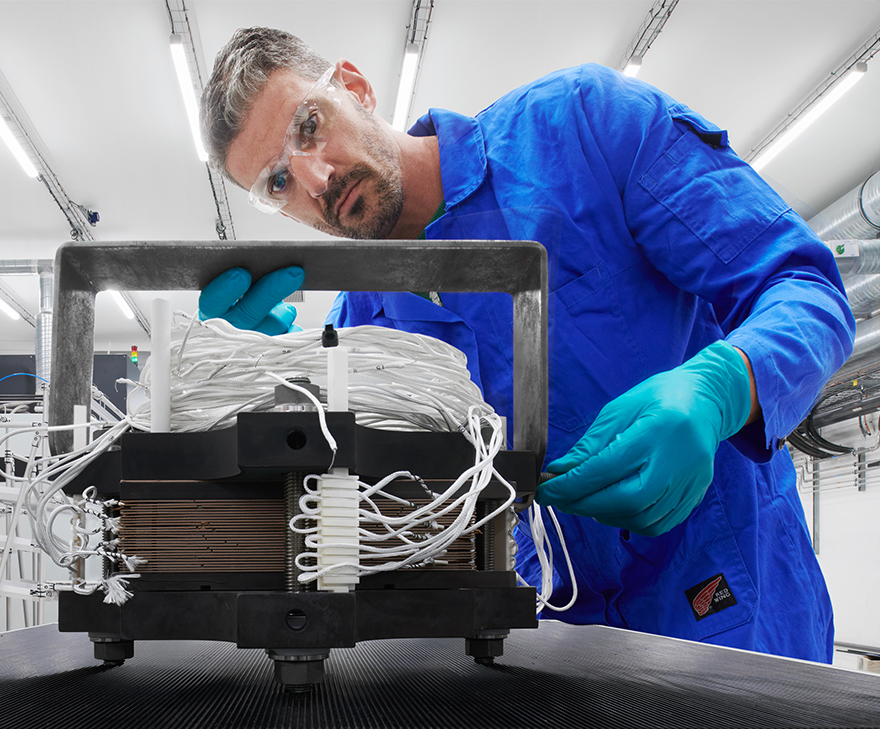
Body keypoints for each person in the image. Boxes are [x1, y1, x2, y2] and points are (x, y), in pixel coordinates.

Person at [198, 27, 855, 662]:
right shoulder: (363, 325)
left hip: (738, 607)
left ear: (355, 87)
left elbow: (803, 286)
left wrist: (724, 387)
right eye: (278, 183)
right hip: (556, 640)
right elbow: (380, 525)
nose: (316, 179)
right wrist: (283, 393)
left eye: (309, 126)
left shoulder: (584, 128)